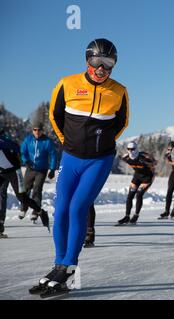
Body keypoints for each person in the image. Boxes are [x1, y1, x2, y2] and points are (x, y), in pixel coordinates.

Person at [29, 38, 129, 298]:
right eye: (97, 62)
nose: (102, 68)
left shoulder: (119, 91)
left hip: (99, 160)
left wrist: (100, 143)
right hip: (71, 158)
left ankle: (70, 266)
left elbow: (122, 123)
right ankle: (59, 264)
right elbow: (55, 115)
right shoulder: (67, 83)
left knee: (77, 208)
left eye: (108, 63)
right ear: (88, 60)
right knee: (60, 209)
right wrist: (68, 142)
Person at [0, 131, 50, 235]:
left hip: (14, 171)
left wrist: (21, 159)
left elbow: (16, 147)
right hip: (1, 171)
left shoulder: (2, 141)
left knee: (21, 198)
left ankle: (40, 211)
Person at [19, 121, 57, 222]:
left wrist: (52, 169)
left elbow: (53, 154)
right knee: (25, 189)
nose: (37, 132)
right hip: (30, 169)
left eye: (39, 130)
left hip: (42, 169)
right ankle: (24, 208)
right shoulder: (28, 140)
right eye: (35, 130)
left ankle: (35, 211)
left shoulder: (47, 141)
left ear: (42, 131)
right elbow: (23, 152)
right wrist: (26, 161)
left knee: (37, 189)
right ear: (32, 131)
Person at [116, 142, 156, 225]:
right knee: (130, 195)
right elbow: (119, 156)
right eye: (129, 149)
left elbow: (155, 162)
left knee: (139, 194)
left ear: (136, 149)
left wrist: (150, 164)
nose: (131, 151)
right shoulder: (126, 157)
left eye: (133, 149)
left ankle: (136, 215)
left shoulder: (144, 156)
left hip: (147, 177)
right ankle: (127, 216)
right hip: (137, 176)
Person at [159, 141, 174, 219]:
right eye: (169, 149)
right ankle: (166, 211)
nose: (170, 150)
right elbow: (172, 162)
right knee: (169, 192)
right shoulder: (167, 154)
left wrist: (172, 162)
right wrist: (172, 162)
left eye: (172, 149)